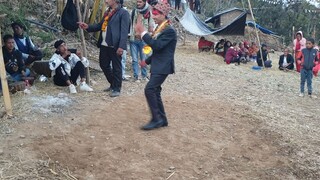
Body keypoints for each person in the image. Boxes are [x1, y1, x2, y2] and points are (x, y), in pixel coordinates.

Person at [135, 1, 177, 130]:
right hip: (159, 65)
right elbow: (159, 49)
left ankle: (156, 119)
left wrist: (143, 33)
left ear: (164, 14)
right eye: (153, 13)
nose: (153, 16)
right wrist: (146, 61)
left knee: (149, 90)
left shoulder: (169, 30)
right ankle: (162, 119)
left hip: (163, 66)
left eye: (156, 13)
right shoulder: (163, 28)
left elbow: (157, 45)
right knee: (155, 91)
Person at [78, 0, 130, 97]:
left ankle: (117, 88)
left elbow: (124, 32)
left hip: (115, 45)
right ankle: (113, 84)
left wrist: (121, 47)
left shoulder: (123, 13)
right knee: (103, 65)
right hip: (104, 44)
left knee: (117, 68)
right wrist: (87, 26)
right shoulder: (108, 11)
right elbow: (99, 26)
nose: (106, 1)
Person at [130, 0, 154, 82]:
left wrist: (149, 35)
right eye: (137, 2)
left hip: (144, 40)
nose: (138, 3)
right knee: (134, 59)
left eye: (140, 2)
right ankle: (136, 76)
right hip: (133, 39)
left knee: (144, 58)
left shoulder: (149, 12)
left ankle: (144, 75)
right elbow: (130, 23)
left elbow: (151, 26)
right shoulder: (134, 11)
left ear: (144, 2)